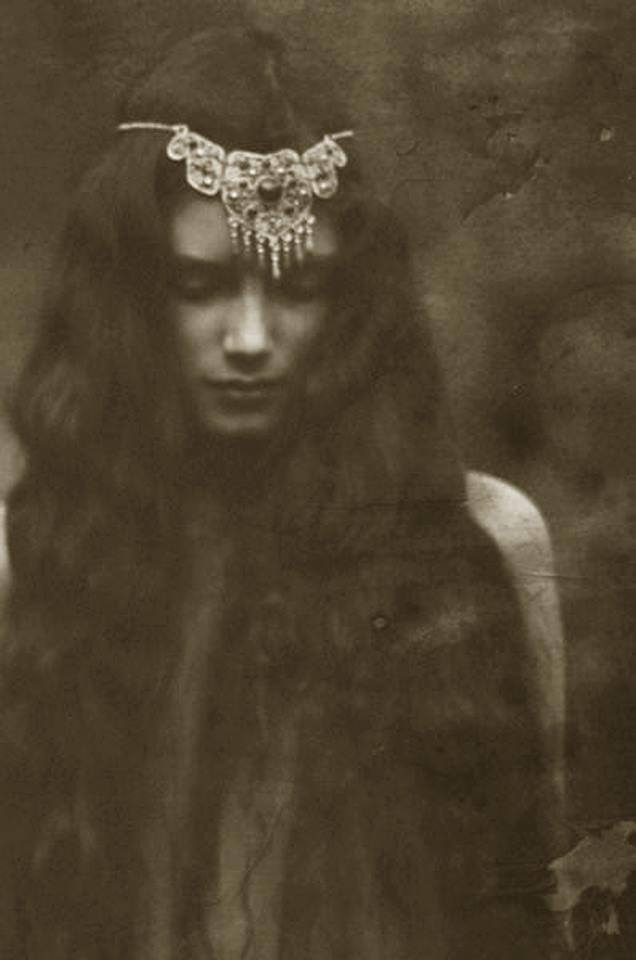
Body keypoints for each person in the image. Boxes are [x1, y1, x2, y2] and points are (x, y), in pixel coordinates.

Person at [0, 26, 566, 960]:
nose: (252, 340)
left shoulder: (490, 545)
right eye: (200, 285)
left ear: (351, 308)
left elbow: (531, 904)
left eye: (298, 288)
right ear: (133, 299)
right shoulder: (32, 562)